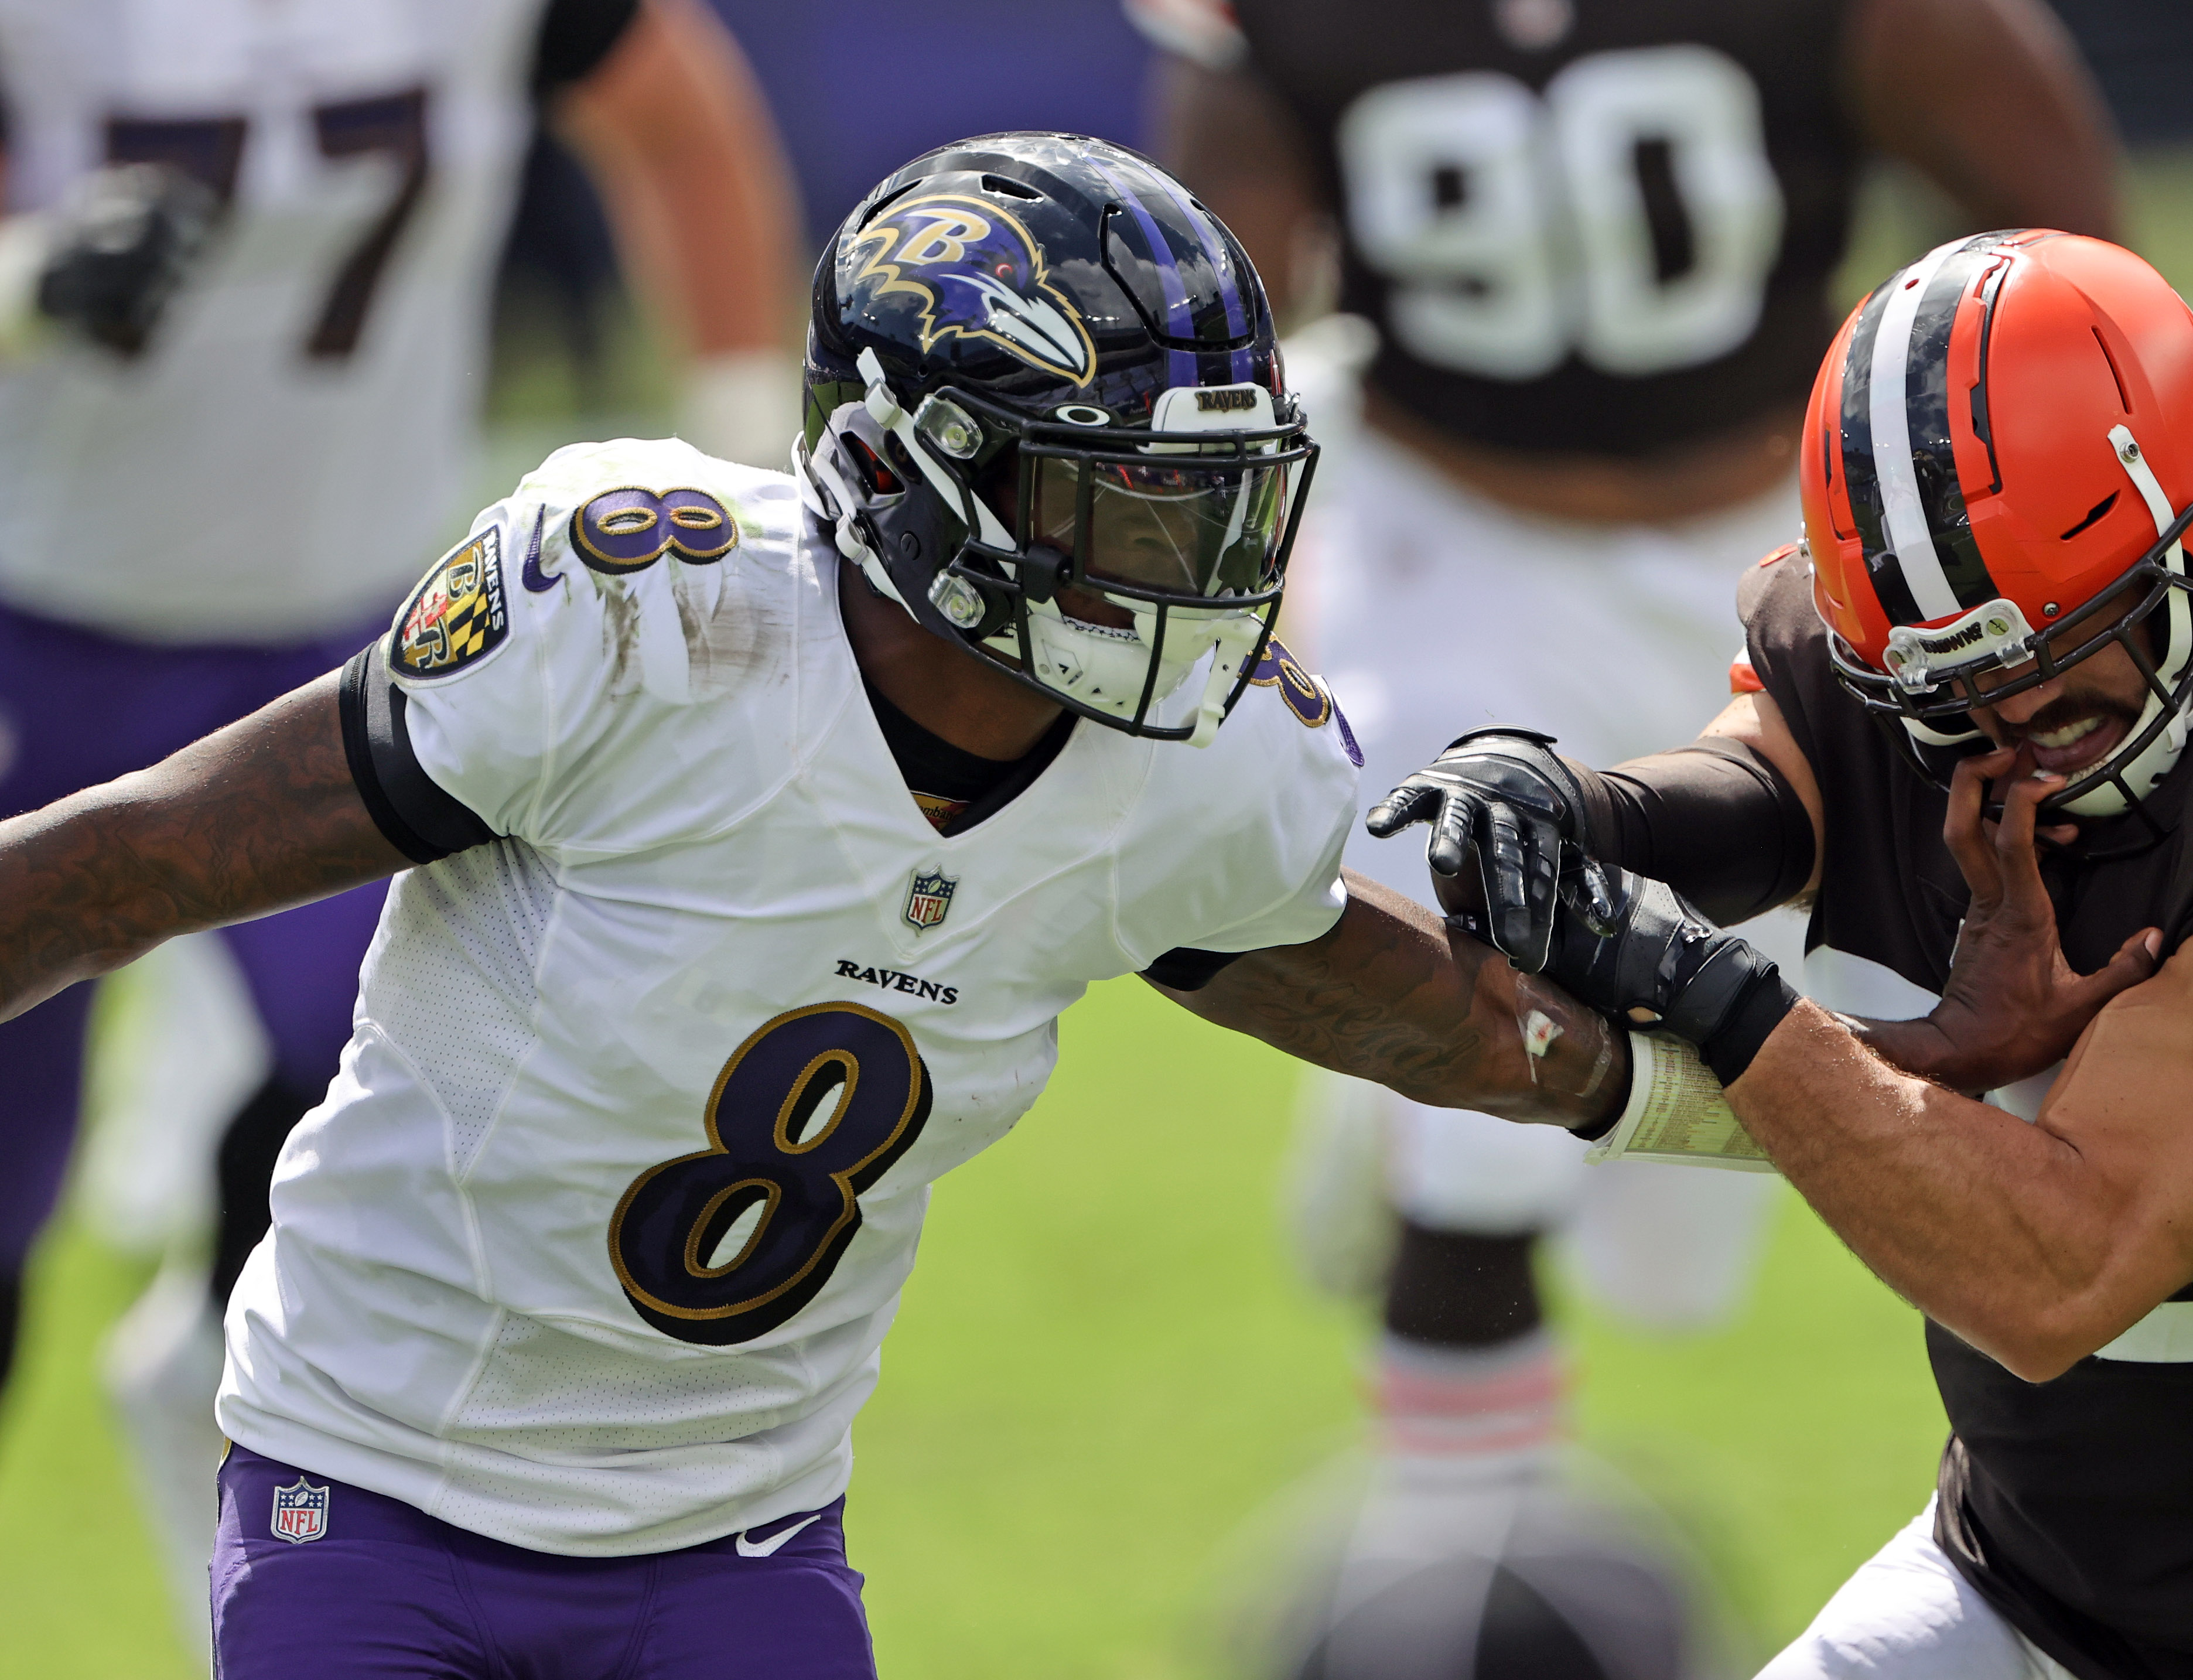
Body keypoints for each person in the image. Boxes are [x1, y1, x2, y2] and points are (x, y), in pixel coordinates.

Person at [0, 131, 1680, 1678]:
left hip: (740, 1541)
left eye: (1216, 500)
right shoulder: (645, 618)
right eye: (1125, 501)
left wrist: (1793, 1082)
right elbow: (138, 859)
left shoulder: (1190, 773)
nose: (1193, 569)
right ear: (914, 473)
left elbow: (1453, 1031)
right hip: (371, 1493)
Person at [1371, 231, 2193, 1679]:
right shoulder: (1901, 681)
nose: (2012, 730)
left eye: (2060, 663)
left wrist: (1708, 987)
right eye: (1948, 693)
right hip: (2002, 1584)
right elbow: (1764, 787)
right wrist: (1580, 807)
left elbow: (2055, 1277)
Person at [1126, 0, 2128, 1528]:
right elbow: (1211, 309)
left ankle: (1394, 1083)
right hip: (1445, 528)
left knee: (1692, 1196)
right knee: (1478, 1122)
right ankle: (1457, 1572)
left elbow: (2061, 253)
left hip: (1780, 540)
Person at [0, 0, 797, 1648]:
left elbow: (678, 118)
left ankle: (228, 1408)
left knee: (404, 1129)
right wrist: (25, 282)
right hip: (27, 619)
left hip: (344, 647)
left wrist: (743, 470)